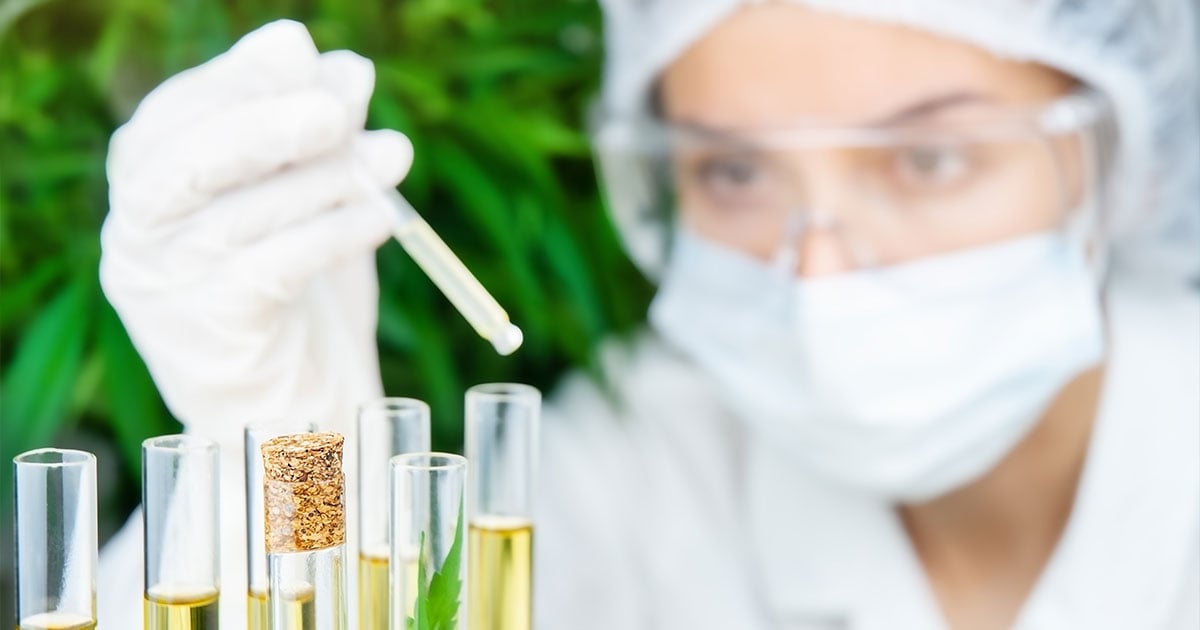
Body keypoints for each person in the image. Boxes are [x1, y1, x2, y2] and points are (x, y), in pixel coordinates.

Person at [96, 1, 1199, 628]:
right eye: (733, 175)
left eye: (930, 156)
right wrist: (291, 454)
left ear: (1124, 152)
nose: (818, 275)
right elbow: (362, 611)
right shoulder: (633, 477)